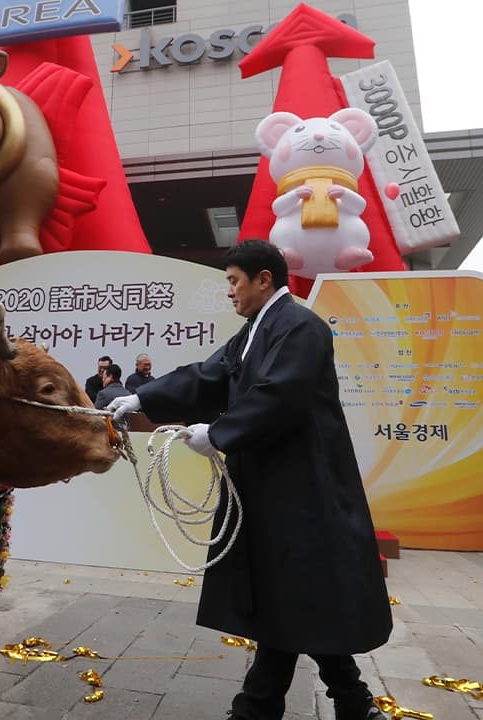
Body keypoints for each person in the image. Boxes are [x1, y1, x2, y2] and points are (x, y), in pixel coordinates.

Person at [107, 241, 391, 720]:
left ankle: (263, 709)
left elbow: (281, 394)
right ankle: (351, 702)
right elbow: (208, 375)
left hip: (304, 486)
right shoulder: (255, 332)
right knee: (296, 593)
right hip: (271, 484)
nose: (230, 292)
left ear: (265, 279)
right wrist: (144, 400)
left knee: (291, 592)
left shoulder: (302, 327)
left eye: (235, 281)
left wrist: (219, 434)